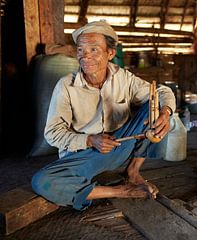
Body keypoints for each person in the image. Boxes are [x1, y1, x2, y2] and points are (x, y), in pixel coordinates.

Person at [31, 21, 176, 210]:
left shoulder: (123, 77)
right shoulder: (66, 86)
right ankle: (122, 191)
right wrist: (90, 140)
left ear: (110, 53)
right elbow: (52, 133)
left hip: (123, 144)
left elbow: (162, 92)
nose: (85, 56)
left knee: (157, 105)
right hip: (86, 155)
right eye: (81, 50)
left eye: (94, 49)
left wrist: (165, 113)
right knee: (41, 181)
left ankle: (132, 171)